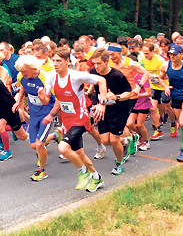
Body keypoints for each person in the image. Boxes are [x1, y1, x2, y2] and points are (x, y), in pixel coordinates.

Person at [38, 47, 108, 192]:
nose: (55, 64)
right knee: (79, 153)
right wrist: (43, 99)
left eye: (58, 61)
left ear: (67, 62)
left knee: (63, 148)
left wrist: (102, 103)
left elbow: (101, 80)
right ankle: (96, 176)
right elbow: (47, 100)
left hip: (81, 118)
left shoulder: (76, 76)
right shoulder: (51, 76)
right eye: (54, 61)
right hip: (67, 119)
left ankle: (83, 173)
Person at [89, 48, 134, 176]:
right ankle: (126, 141)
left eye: (99, 63)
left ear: (107, 61)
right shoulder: (93, 72)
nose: (96, 66)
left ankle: (119, 163)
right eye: (94, 63)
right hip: (103, 109)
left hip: (120, 110)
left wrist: (116, 97)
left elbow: (129, 93)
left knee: (114, 140)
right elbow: (94, 86)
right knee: (105, 141)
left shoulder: (117, 76)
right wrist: (89, 94)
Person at [13, 55, 54, 181]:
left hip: (46, 112)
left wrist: (51, 114)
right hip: (34, 113)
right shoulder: (22, 77)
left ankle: (42, 170)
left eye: (24, 71)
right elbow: (22, 88)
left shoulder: (45, 77)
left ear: (33, 68)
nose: (22, 73)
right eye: (20, 71)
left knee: (39, 144)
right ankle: (57, 134)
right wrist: (18, 101)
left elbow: (54, 98)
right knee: (33, 145)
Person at [139, 42, 175, 140]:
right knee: (152, 109)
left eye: (147, 53)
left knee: (167, 108)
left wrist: (155, 76)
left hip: (163, 86)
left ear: (152, 51)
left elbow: (167, 75)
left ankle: (173, 123)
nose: (145, 55)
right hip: (153, 87)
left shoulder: (160, 60)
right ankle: (158, 130)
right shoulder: (143, 60)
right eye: (144, 53)